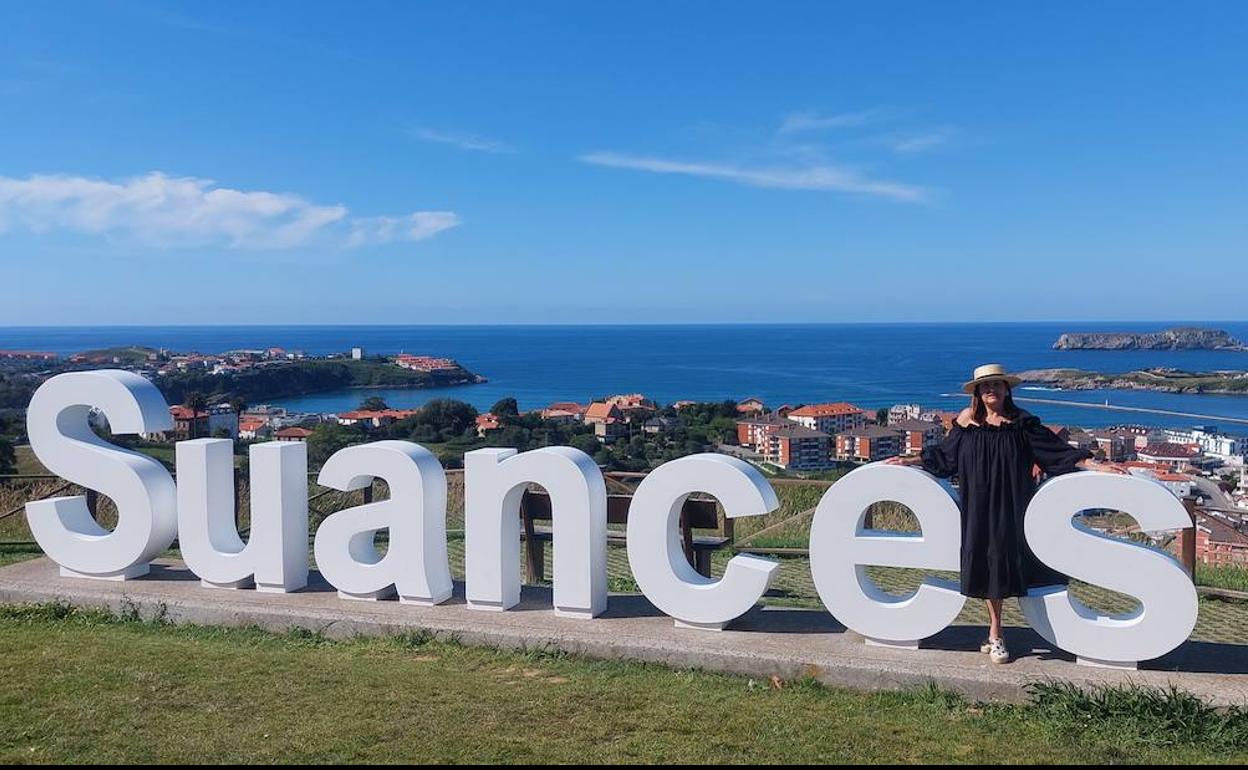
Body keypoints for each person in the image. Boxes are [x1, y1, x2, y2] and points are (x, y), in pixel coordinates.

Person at [885, 363, 1122, 664]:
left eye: (997, 385)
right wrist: (909, 460)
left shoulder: (1022, 425)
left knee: (1017, 565)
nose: (991, 391)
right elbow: (944, 457)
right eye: (985, 387)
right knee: (989, 566)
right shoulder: (966, 427)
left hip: (1014, 507)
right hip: (978, 509)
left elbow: (1056, 452)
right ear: (978, 394)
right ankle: (996, 632)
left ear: (1006, 389)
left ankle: (1044, 630)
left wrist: (1094, 465)